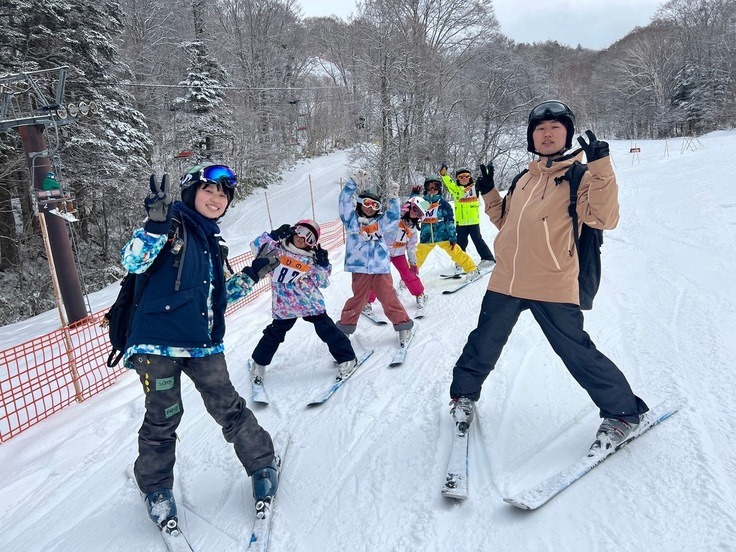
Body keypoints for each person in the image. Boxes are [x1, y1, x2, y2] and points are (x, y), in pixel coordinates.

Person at [448, 101, 648, 451]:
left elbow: (604, 218)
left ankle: (623, 413)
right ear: (531, 137)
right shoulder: (524, 178)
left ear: (567, 134)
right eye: (539, 128)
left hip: (552, 280)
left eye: (555, 127)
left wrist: (600, 166)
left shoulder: (581, 176)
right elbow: (506, 223)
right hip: (507, 279)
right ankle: (463, 396)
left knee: (576, 351)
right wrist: (490, 191)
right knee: (484, 342)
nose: (547, 133)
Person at [122, 163, 280, 531]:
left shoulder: (211, 242)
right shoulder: (171, 225)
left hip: (202, 345)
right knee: (163, 417)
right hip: (157, 344)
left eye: (223, 195)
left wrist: (255, 272)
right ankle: (157, 488)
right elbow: (132, 261)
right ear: (191, 192)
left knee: (228, 407)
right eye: (209, 191)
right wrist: (154, 226)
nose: (216, 199)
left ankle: (261, 462)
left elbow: (218, 299)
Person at [249, 219, 359, 381]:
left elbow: (323, 282)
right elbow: (255, 246)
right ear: (294, 230)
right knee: (274, 334)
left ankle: (347, 358)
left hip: (309, 303)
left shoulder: (311, 259)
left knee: (327, 330)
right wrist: (273, 236)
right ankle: (259, 363)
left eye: (310, 238)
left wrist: (323, 264)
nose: (303, 238)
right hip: (284, 305)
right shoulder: (276, 250)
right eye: (301, 232)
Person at [336, 170, 414, 346]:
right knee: (358, 300)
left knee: (388, 298)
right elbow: (343, 203)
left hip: (380, 268)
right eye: (367, 203)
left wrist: (393, 198)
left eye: (375, 205)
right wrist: (352, 184)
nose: (370, 208)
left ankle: (403, 326)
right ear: (359, 204)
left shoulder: (381, 223)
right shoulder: (352, 221)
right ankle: (345, 329)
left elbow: (394, 216)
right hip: (360, 268)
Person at [363, 196, 429, 313]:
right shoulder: (395, 218)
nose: (415, 214)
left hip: (399, 254)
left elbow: (411, 246)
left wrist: (413, 262)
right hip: (383, 252)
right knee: (376, 275)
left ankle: (420, 294)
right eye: (415, 209)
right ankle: (367, 301)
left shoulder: (412, 228)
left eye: (419, 213)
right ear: (409, 206)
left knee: (407, 274)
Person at [414, 175, 479, 281]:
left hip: (443, 234)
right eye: (429, 186)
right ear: (425, 188)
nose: (432, 189)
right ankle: (408, 276)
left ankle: (472, 269)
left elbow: (449, 221)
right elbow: (412, 209)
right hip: (427, 236)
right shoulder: (423, 203)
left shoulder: (444, 204)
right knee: (418, 257)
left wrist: (452, 237)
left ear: (439, 189)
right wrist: (414, 196)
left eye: (435, 186)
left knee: (456, 252)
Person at [440, 165, 495, 270]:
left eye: (466, 176)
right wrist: (444, 175)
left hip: (473, 221)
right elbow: (448, 182)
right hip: (461, 223)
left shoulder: (476, 187)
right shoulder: (456, 189)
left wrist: (488, 177)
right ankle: (461, 260)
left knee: (477, 240)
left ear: (470, 177)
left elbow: (487, 187)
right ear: (457, 179)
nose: (464, 179)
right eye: (461, 177)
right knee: (461, 242)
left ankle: (488, 258)